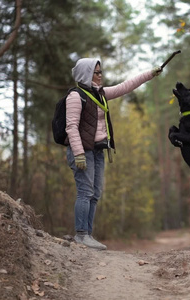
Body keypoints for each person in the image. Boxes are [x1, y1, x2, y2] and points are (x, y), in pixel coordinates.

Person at [65, 58, 162, 250]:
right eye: (97, 73)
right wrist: (78, 154)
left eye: (101, 72)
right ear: (87, 74)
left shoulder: (101, 94)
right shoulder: (76, 97)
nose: (101, 76)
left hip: (98, 150)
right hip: (82, 151)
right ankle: (81, 235)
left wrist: (150, 74)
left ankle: (88, 235)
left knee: (96, 193)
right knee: (85, 192)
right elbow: (71, 127)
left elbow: (126, 86)